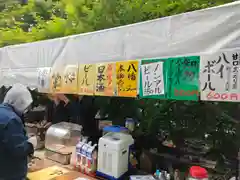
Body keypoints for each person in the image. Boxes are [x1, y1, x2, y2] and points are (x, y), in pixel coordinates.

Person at [0, 84, 35, 180]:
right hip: (10, 174)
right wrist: (30, 144)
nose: (26, 110)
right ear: (20, 102)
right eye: (25, 106)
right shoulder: (12, 119)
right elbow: (19, 150)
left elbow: (7, 140)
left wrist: (23, 137)